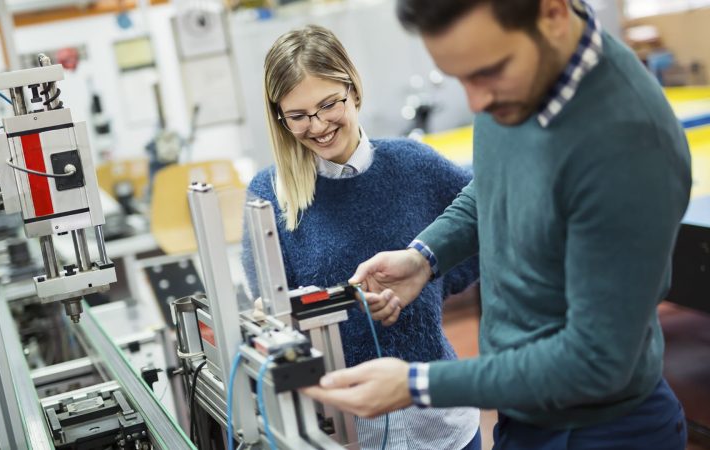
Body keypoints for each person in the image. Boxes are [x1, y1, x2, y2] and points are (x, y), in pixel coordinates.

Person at [303, 1, 692, 449]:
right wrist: (425, 258)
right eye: (461, 79)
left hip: (602, 429)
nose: (476, 103)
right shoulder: (514, 78)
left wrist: (417, 385)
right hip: (523, 412)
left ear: (553, 14)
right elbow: (493, 185)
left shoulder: (628, 143)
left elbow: (595, 361)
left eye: (487, 73)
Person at [242, 25, 481, 450]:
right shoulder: (269, 195)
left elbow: (482, 228)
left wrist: (425, 279)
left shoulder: (414, 164)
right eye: (298, 116)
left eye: (327, 104)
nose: (317, 125)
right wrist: (330, 308)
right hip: (347, 430)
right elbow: (271, 310)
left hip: (441, 423)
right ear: (280, 117)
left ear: (352, 89)